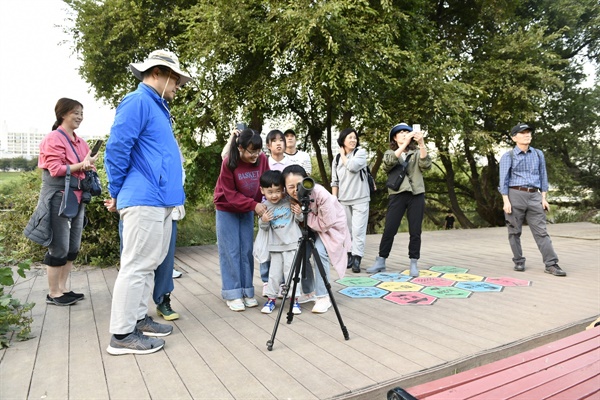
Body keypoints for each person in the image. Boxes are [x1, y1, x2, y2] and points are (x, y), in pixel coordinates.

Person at [104, 49, 191, 355]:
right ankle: (122, 335)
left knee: (148, 264)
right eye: (176, 79)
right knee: (136, 265)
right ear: (158, 73)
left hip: (159, 200)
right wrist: (117, 192)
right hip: (145, 198)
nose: (178, 86)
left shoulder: (157, 106)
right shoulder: (138, 100)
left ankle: (138, 319)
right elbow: (116, 149)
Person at [24, 98, 98, 306]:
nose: (80, 117)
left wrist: (89, 165)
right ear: (63, 114)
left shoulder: (81, 142)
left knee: (73, 246)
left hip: (77, 196)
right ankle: (53, 293)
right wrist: (81, 165)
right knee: (59, 246)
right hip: (58, 196)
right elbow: (55, 169)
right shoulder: (53, 139)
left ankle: (64, 289)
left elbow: (83, 167)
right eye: (76, 112)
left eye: (82, 113)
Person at [498, 123, 566, 277]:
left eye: (528, 132)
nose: (527, 135)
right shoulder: (508, 156)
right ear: (514, 137)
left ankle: (551, 264)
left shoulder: (538, 154)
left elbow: (543, 176)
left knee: (542, 232)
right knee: (514, 231)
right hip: (515, 195)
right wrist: (505, 201)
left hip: (535, 196)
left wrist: (543, 198)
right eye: (523, 133)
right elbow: (503, 180)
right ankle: (518, 260)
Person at [282, 165, 351, 313]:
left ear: (307, 180)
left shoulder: (320, 194)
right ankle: (309, 292)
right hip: (310, 228)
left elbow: (327, 223)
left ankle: (323, 296)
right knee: (302, 253)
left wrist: (302, 215)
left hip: (330, 228)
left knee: (319, 251)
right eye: (290, 187)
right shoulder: (287, 198)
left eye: (299, 185)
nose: (295, 190)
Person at [214, 129, 269, 311]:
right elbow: (230, 194)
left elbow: (267, 182)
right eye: (250, 151)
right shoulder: (229, 162)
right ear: (240, 148)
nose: (255, 155)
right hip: (227, 206)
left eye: (257, 151)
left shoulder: (262, 159)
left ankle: (247, 290)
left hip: (248, 207)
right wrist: (254, 206)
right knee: (230, 250)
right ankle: (232, 293)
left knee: (246, 249)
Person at [367, 123, 432, 277]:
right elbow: (388, 164)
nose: (404, 134)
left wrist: (421, 143)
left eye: (406, 132)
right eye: (401, 133)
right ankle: (381, 260)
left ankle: (414, 262)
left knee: (415, 230)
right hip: (397, 194)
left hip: (416, 194)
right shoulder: (391, 152)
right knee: (390, 228)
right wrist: (403, 146)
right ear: (395, 138)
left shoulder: (416, 152)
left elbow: (426, 165)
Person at [253, 170, 303, 314]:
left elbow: (301, 220)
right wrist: (264, 220)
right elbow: (263, 228)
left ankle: (294, 301)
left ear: (283, 189)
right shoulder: (264, 207)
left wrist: (299, 212)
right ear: (262, 190)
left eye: (278, 191)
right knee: (273, 275)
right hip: (275, 247)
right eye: (270, 192)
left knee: (292, 274)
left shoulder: (290, 202)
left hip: (292, 244)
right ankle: (271, 300)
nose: (274, 195)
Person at [331, 128, 370, 273]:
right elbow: (334, 181)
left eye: (355, 138)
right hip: (344, 200)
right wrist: (334, 199)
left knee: (358, 230)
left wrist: (343, 155)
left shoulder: (360, 153)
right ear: (343, 140)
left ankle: (357, 258)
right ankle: (348, 256)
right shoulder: (336, 159)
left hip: (360, 198)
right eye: (350, 138)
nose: (353, 140)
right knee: (346, 231)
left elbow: (352, 167)